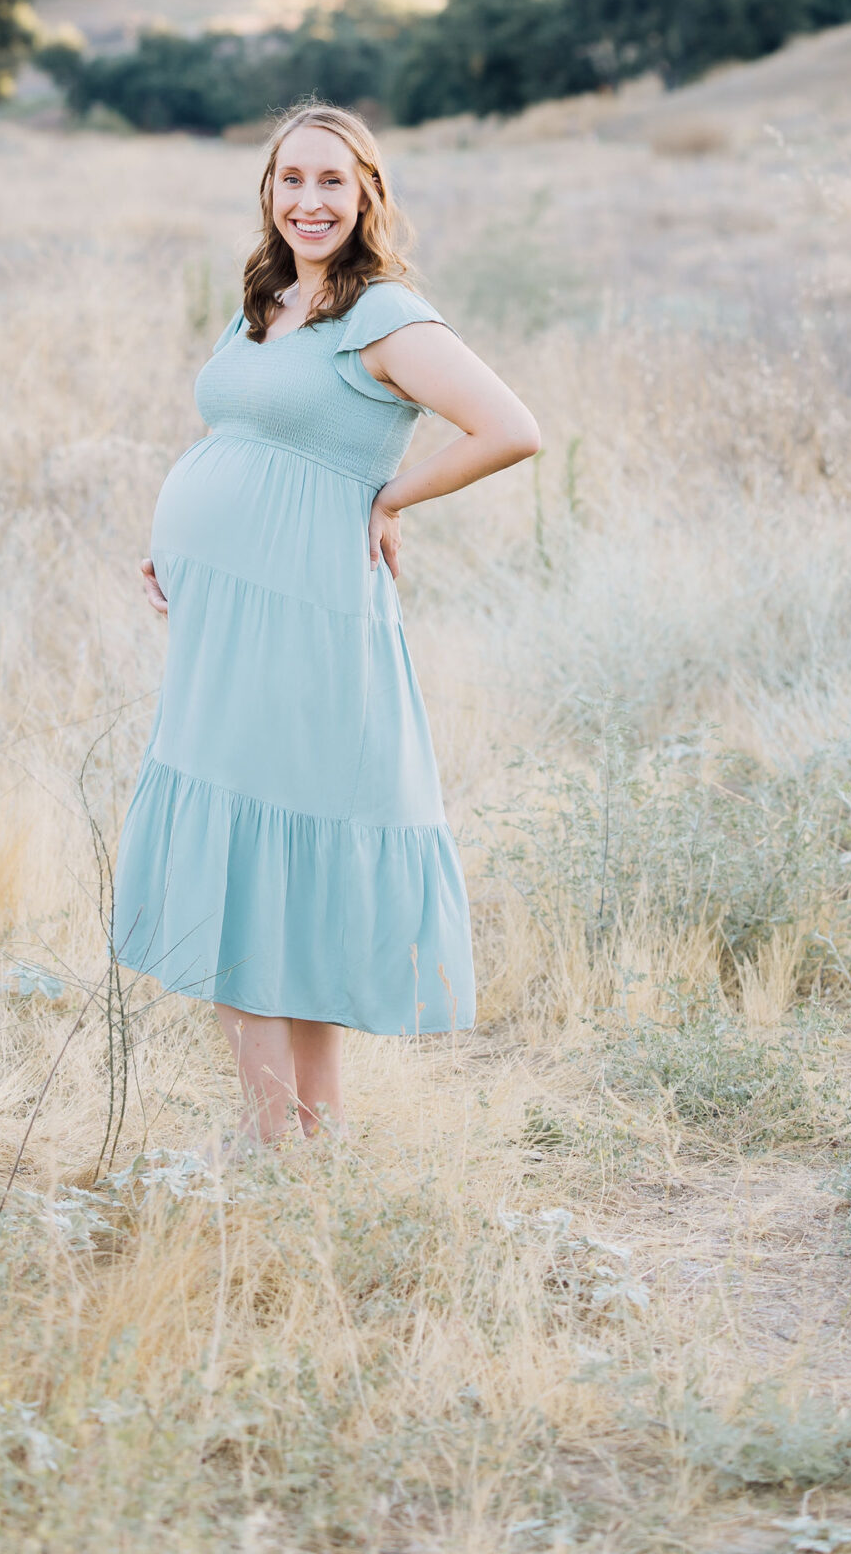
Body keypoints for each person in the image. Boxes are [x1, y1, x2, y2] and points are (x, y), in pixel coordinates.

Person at [114, 101, 541, 1145]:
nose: (309, 201)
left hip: (305, 627)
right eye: (291, 179)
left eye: (332, 183)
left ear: (366, 197)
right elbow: (246, 437)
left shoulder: (382, 313)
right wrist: (181, 542)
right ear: (268, 190)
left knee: (254, 884)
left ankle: (275, 1157)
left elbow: (510, 428)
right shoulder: (267, 300)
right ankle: (320, 1147)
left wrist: (390, 497)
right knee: (268, 873)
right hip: (225, 624)